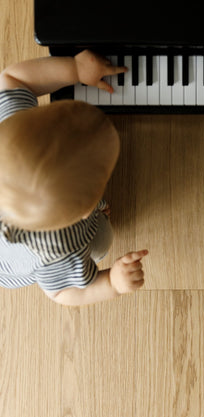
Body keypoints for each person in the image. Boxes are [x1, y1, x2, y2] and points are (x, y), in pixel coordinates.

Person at [0, 49, 148, 306]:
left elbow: (12, 79)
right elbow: (63, 293)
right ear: (85, 210)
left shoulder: (11, 129)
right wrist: (113, 283)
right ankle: (99, 225)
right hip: (14, 265)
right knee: (102, 239)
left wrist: (75, 69)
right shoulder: (60, 251)